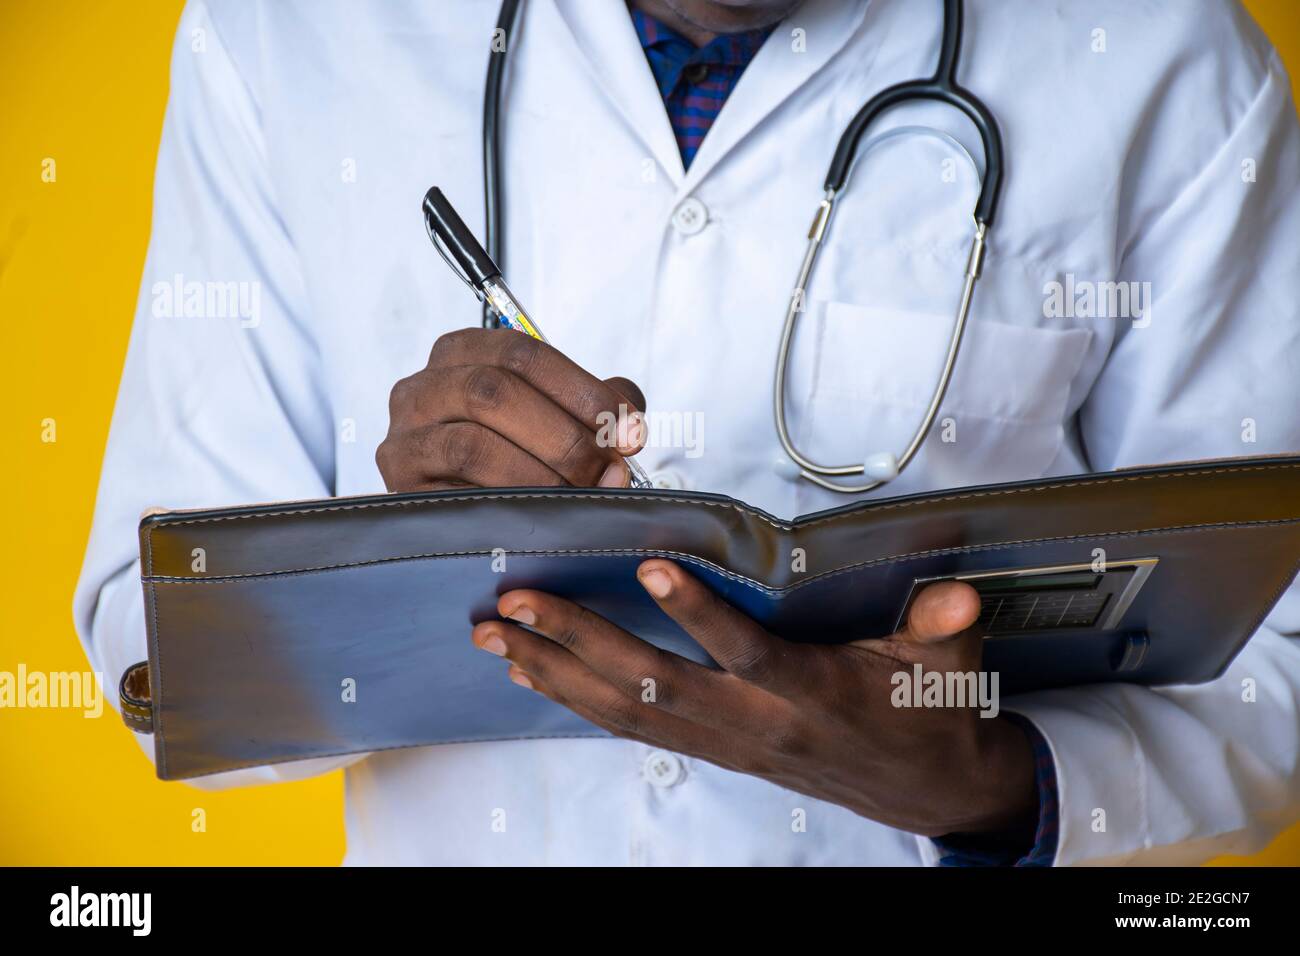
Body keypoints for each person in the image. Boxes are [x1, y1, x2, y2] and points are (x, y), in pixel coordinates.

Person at [76, 0, 1300, 865]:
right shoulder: (283, 33)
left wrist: (990, 785)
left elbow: (1277, 651)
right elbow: (153, 645)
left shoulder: (1167, 53)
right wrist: (388, 553)